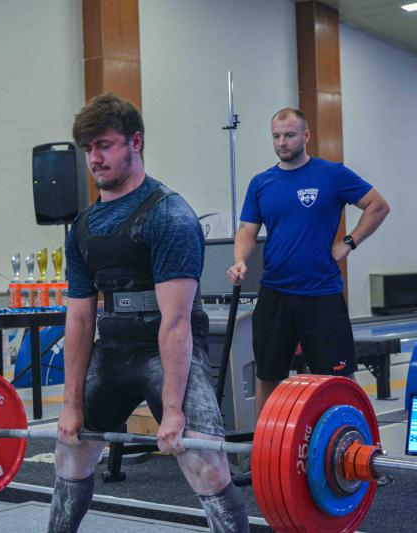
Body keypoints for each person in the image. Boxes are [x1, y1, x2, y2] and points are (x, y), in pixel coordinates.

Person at [49, 93, 249, 533]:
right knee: (70, 452)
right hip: (113, 348)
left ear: (135, 142)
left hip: (167, 350)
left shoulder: (169, 216)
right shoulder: (82, 228)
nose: (94, 158)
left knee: (206, 464)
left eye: (104, 145)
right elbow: (79, 320)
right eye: (88, 148)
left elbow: (176, 322)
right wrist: (70, 405)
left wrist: (173, 410)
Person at [226, 107, 390, 418]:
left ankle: (348, 438)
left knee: (338, 378)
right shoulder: (261, 183)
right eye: (276, 136)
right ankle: (265, 442)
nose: (281, 142)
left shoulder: (332, 174)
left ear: (306, 136)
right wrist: (239, 261)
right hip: (275, 292)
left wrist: (349, 242)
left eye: (289, 135)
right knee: (267, 376)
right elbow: (247, 230)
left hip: (321, 292)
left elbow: (377, 205)